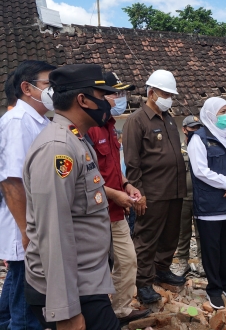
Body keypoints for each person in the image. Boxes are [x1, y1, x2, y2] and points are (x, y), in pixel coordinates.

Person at [23, 64, 120, 329]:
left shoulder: (77, 140)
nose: (108, 104)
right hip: (71, 291)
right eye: (102, 97)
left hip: (86, 281)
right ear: (83, 100)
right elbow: (53, 232)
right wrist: (65, 312)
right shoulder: (58, 148)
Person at [86, 72, 150, 324]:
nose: (120, 98)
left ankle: (121, 310)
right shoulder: (87, 129)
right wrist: (117, 195)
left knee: (127, 261)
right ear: (99, 96)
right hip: (96, 213)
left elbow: (113, 169)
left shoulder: (110, 127)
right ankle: (98, 316)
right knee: (97, 269)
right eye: (115, 93)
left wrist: (127, 185)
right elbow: (85, 179)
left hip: (116, 212)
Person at [123, 69, 187, 304]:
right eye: (165, 93)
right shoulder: (136, 121)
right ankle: (143, 282)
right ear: (151, 93)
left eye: (171, 94)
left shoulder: (168, 118)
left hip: (175, 190)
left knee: (170, 236)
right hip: (152, 193)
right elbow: (132, 162)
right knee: (147, 238)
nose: (169, 98)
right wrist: (139, 194)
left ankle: (163, 269)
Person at [0, 60, 56, 330]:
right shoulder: (18, 122)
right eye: (49, 84)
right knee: (28, 309)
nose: (54, 91)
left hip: (33, 224)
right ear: (27, 88)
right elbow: (11, 181)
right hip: (27, 227)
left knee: (16, 286)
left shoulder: (40, 121)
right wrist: (26, 230)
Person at [188, 97, 226, 309]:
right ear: (211, 114)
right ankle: (213, 289)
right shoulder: (199, 138)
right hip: (210, 206)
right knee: (211, 250)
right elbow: (200, 171)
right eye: (222, 111)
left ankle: (225, 284)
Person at [175, 115, 204, 276]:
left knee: (202, 232)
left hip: (201, 198)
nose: (196, 131)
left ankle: (203, 263)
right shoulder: (178, 150)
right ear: (184, 129)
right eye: (193, 128)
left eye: (199, 128)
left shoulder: (205, 148)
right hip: (183, 198)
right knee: (182, 232)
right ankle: (182, 262)